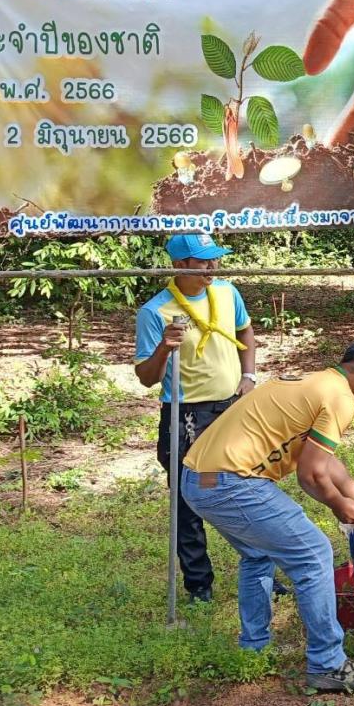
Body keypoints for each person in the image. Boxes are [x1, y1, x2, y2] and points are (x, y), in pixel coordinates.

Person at [180, 341, 354, 693]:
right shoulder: (340, 397)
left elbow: (321, 458)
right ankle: (328, 663)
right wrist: (340, 505)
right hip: (233, 483)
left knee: (258, 554)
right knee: (313, 553)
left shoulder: (312, 384)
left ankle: (253, 649)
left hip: (197, 480)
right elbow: (310, 475)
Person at [134, 233, 256, 604]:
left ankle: (261, 568)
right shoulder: (155, 311)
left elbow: (245, 331)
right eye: (204, 262)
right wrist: (163, 348)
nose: (212, 268)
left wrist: (248, 376)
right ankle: (199, 585)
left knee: (249, 489)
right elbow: (146, 377)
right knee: (189, 497)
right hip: (187, 415)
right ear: (180, 265)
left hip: (233, 406)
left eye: (214, 259)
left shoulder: (227, 292)